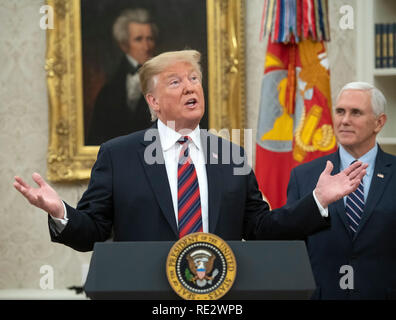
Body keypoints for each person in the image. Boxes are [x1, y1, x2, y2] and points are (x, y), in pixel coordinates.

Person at [14, 50, 366, 253]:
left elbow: (260, 228)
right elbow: (92, 232)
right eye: (175, 81)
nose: (190, 87)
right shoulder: (118, 155)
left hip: (221, 297)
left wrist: (317, 201)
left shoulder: (231, 155)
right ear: (153, 102)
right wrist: (61, 211)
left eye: (194, 79)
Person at [287, 81, 396, 299]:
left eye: (356, 112)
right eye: (340, 111)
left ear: (379, 122)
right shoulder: (304, 176)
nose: (345, 120)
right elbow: (293, 249)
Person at [86, 8, 157, 145]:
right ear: (124, 45)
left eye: (150, 39)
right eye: (139, 39)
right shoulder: (108, 91)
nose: (146, 46)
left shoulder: (167, 81)